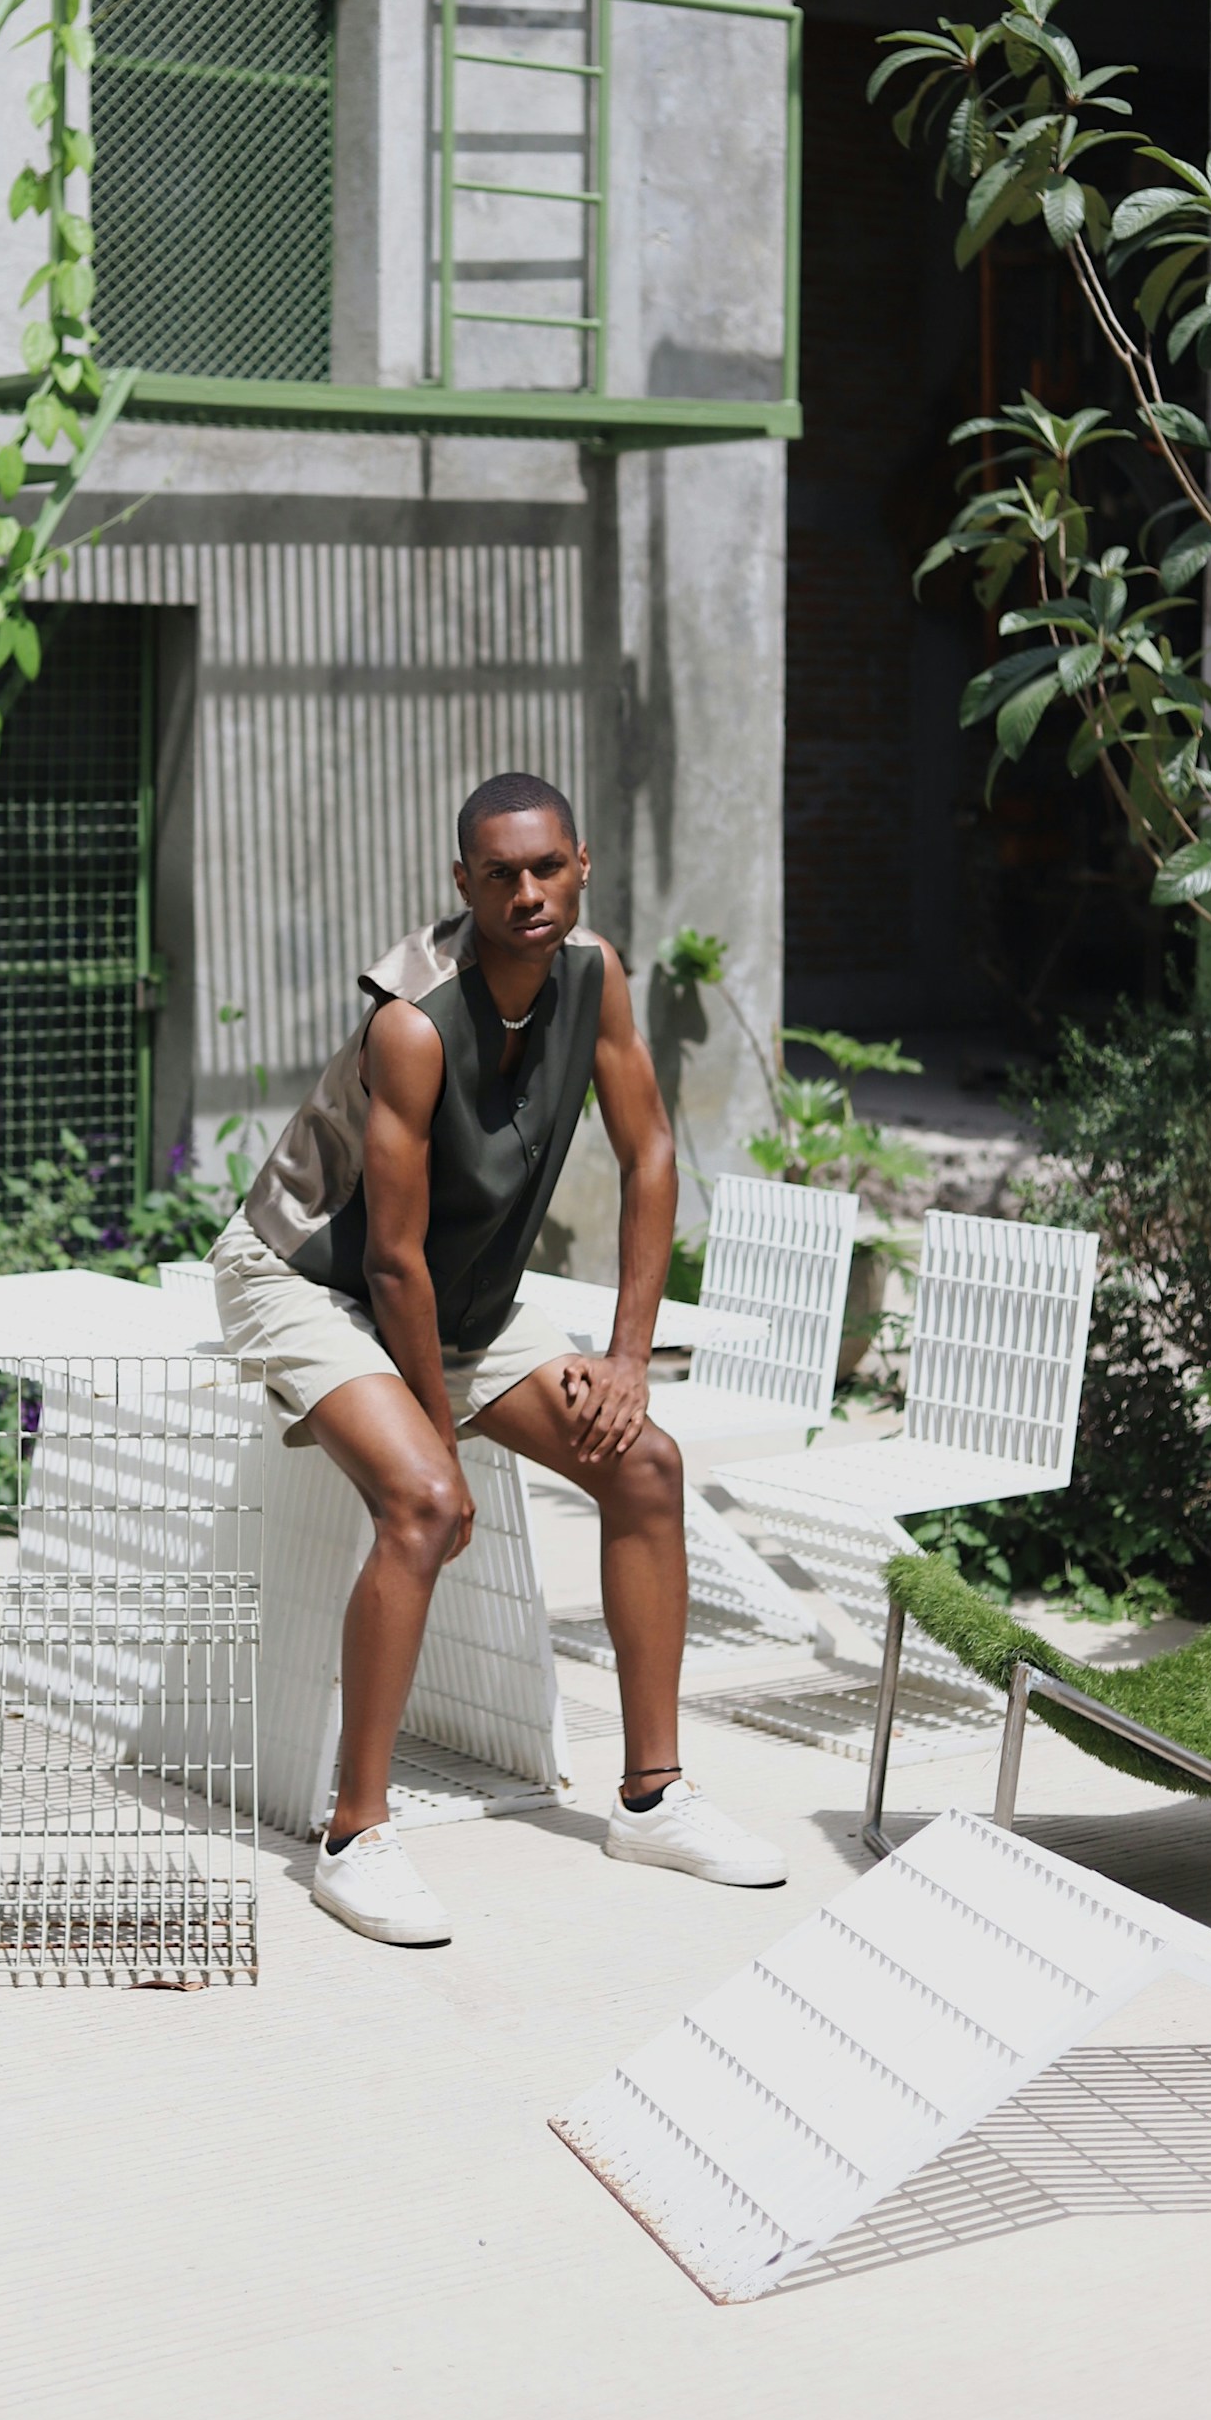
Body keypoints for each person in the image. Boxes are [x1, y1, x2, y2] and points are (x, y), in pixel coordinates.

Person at [209, 770, 785, 1946]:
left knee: (646, 1465)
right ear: (463, 884)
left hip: (459, 1291)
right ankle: (355, 1839)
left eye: (548, 869)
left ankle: (653, 1799)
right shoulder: (413, 1023)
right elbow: (390, 1263)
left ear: (581, 867)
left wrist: (628, 1360)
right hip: (309, 1273)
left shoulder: (595, 978)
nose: (529, 894)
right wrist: (441, 1439)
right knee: (427, 1502)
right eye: (501, 875)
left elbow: (652, 1156)